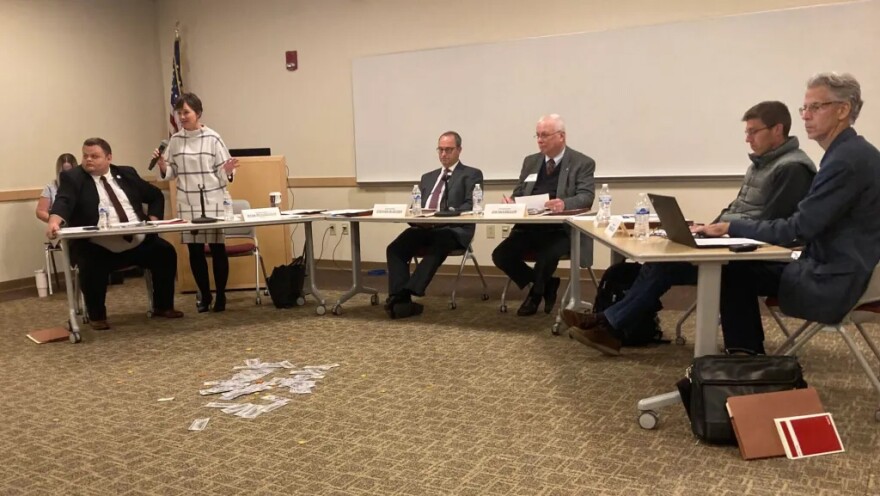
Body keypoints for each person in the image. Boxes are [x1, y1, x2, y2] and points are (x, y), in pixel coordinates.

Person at [563, 101, 816, 356]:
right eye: (746, 132)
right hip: (733, 246)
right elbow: (739, 209)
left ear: (777, 130)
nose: (748, 139)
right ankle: (609, 324)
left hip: (757, 258)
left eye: (753, 132)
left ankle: (609, 325)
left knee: (667, 264)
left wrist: (726, 228)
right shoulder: (760, 165)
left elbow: (774, 227)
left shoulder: (792, 169)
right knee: (662, 259)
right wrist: (708, 227)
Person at [700, 72, 880, 354]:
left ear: (843, 110)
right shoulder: (852, 153)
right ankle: (746, 355)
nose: (806, 116)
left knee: (734, 273)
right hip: (845, 266)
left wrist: (732, 228)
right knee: (740, 270)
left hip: (836, 278)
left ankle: (745, 360)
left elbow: (797, 228)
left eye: (816, 107)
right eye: (804, 108)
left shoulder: (845, 161)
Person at [46, 138, 183, 330]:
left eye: (94, 156)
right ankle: (97, 316)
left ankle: (163, 306)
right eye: (85, 156)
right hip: (98, 245)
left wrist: (153, 221)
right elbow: (64, 201)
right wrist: (54, 220)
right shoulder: (74, 178)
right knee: (89, 262)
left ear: (109, 157)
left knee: (165, 252)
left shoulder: (126, 174)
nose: (88, 160)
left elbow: (155, 195)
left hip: (136, 241)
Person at [492, 114, 595, 316]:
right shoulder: (530, 162)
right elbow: (520, 191)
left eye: (545, 135)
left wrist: (564, 203)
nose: (540, 140)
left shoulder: (581, 162)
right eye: (537, 135)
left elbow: (586, 197)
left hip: (560, 230)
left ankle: (535, 295)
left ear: (561, 136)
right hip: (529, 227)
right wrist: (512, 202)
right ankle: (548, 284)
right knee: (501, 255)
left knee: (547, 256)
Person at [154, 92, 239, 313]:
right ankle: (205, 295)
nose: (182, 116)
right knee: (195, 251)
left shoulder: (213, 138)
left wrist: (228, 171)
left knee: (218, 249)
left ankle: (221, 295)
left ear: (198, 113)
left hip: (212, 199)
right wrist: (163, 165)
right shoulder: (175, 140)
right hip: (188, 201)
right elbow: (172, 172)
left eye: (186, 112)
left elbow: (224, 170)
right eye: (179, 112)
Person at [384, 131, 484, 319]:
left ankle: (408, 291)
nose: (444, 154)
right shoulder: (427, 177)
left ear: (459, 150)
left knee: (441, 240)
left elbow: (470, 206)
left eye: (449, 150)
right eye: (441, 150)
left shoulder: (471, 174)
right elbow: (418, 205)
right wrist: (416, 216)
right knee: (395, 248)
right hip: (425, 227)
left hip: (453, 230)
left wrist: (440, 217)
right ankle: (402, 300)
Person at [36, 153, 77, 222]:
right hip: (59, 227)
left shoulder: (83, 185)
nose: (67, 175)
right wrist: (55, 221)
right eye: (64, 172)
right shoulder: (50, 188)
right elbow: (40, 211)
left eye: (70, 172)